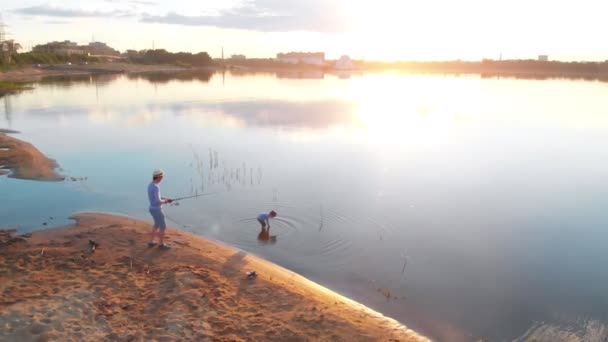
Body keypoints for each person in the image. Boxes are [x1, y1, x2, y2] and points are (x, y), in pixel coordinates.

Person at [148, 169, 173, 249]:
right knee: (163, 227)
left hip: (152, 208)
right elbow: (158, 201)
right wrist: (166, 201)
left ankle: (151, 242)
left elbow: (156, 198)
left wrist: (164, 198)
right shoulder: (156, 187)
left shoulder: (150, 185)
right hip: (157, 210)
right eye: (161, 177)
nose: (162, 179)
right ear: (158, 177)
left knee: (156, 225)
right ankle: (161, 244)